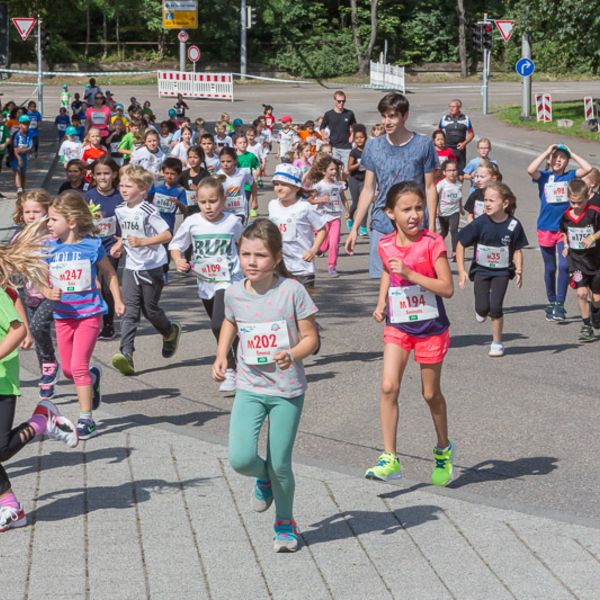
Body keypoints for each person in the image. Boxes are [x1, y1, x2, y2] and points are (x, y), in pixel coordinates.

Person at [212, 218, 319, 553]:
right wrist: (220, 355)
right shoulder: (233, 293)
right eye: (245, 254)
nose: (251, 262)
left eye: (259, 255)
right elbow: (230, 320)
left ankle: (285, 523)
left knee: (281, 463)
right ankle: (263, 477)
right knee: (240, 458)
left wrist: (293, 353)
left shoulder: (292, 291)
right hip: (249, 386)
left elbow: (312, 338)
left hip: (286, 390)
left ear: (275, 258)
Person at [367, 182, 455, 486]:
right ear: (391, 213)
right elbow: (388, 272)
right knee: (388, 386)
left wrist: (411, 274)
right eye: (407, 209)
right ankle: (389, 457)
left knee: (430, 394)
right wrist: (381, 302)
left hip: (431, 327)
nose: (415, 214)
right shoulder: (385, 244)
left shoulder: (433, 243)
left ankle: (443, 449)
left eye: (419, 208)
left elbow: (447, 288)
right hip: (399, 324)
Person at [0, 224, 79, 533]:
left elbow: (18, 328)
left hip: (2, 379)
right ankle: (10, 507)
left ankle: (42, 421)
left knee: (2, 449)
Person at [43, 191, 124, 439]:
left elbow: (109, 273)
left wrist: (118, 300)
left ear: (72, 221)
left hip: (89, 314)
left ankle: (86, 419)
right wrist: (47, 291)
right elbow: (39, 279)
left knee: (77, 366)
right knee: (68, 370)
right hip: (63, 315)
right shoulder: (49, 247)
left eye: (54, 219)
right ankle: (92, 377)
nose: (49, 224)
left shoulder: (92, 245)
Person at [345, 93, 438, 278]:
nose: (387, 121)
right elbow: (368, 189)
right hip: (383, 223)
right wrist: (355, 228)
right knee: (383, 286)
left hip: (415, 224)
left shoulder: (424, 144)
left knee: (414, 283)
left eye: (392, 116)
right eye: (384, 116)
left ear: (405, 116)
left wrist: (433, 227)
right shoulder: (373, 147)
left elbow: (429, 187)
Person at [170, 175, 244, 392]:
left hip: (229, 281)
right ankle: (243, 360)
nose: (208, 206)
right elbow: (176, 245)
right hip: (205, 284)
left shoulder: (232, 222)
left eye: (213, 201)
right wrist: (179, 260)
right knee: (220, 327)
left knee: (218, 325)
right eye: (203, 202)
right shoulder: (192, 222)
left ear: (223, 200)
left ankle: (229, 370)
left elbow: (245, 245)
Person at [110, 164, 181, 376]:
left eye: (128, 186)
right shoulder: (120, 209)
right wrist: (120, 244)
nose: (123, 189)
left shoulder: (148, 210)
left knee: (150, 310)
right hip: (132, 267)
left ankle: (170, 332)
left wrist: (143, 241)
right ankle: (127, 354)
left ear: (143, 189)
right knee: (130, 311)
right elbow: (127, 233)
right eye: (121, 185)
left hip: (152, 266)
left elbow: (167, 235)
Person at [457, 183, 528, 357]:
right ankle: (480, 310)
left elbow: (518, 250)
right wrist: (461, 270)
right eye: (485, 200)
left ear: (505, 203)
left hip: (502, 272)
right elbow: (461, 244)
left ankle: (497, 342)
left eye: (492, 200)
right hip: (481, 270)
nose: (487, 204)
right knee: (482, 308)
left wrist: (519, 270)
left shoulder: (514, 225)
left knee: (495, 307)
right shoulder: (479, 223)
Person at [527, 143, 592, 321]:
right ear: (550, 159)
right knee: (550, 268)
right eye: (555, 157)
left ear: (567, 162)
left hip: (564, 230)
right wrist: (547, 151)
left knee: (564, 266)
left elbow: (588, 168)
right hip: (545, 228)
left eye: (562, 158)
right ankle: (551, 301)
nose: (558, 160)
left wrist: (571, 152)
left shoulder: (571, 176)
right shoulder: (544, 176)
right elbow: (530, 169)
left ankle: (560, 305)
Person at [11, 190, 59, 399]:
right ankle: (46, 374)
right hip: (29, 293)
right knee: (40, 336)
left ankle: (50, 364)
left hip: (52, 292)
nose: (31, 216)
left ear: (47, 211)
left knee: (39, 327)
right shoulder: (19, 237)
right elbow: (12, 266)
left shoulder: (54, 236)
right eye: (27, 211)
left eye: (36, 211)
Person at [268, 163, 327, 293]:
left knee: (303, 309)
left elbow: (322, 229)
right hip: (279, 266)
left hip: (302, 267)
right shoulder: (272, 205)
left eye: (283, 184)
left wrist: (313, 250)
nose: (279, 188)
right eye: (276, 184)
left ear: (296, 187)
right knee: (281, 307)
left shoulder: (305, 207)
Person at [86, 157, 123, 340]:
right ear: (93, 175)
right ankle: (90, 321)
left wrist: (121, 241)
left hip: (111, 246)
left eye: (106, 173)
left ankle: (108, 324)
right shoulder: (89, 196)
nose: (102, 177)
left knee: (109, 285)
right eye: (99, 173)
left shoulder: (120, 196)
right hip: (91, 246)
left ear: (114, 174)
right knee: (93, 284)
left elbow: (129, 222)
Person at [559, 179, 600, 340]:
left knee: (597, 298)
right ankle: (586, 326)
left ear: (586, 198)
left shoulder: (594, 212)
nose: (575, 206)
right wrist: (566, 244)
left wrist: (593, 237)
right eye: (572, 202)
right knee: (581, 293)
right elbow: (563, 231)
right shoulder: (566, 216)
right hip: (576, 261)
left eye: (579, 202)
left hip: (596, 261)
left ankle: (596, 313)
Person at [306, 154, 349, 277]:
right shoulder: (319, 185)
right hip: (322, 217)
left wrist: (347, 211)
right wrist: (320, 200)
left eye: (335, 169)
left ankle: (332, 266)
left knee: (334, 243)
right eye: (331, 169)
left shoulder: (338, 185)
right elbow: (310, 199)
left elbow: (344, 198)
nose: (334, 172)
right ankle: (319, 248)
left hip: (335, 217)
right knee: (324, 245)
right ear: (323, 171)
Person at [218, 147, 254, 224]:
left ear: (235, 161)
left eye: (229, 161)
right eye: (222, 161)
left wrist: (254, 200)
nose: (225, 164)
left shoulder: (243, 173)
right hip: (224, 211)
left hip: (240, 210)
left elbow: (253, 184)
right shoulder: (217, 175)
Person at [320, 90, 356, 166]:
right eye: (339, 101)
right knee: (335, 168)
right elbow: (322, 127)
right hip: (334, 146)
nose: (341, 103)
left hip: (346, 146)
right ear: (334, 101)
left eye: (343, 101)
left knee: (346, 169)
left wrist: (352, 135)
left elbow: (354, 126)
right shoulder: (329, 114)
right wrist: (323, 135)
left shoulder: (349, 113)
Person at [438, 99, 474, 173]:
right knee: (448, 171)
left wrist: (464, 143)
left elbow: (471, 134)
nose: (451, 108)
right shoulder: (444, 118)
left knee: (460, 173)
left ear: (459, 107)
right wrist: (441, 143)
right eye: (450, 106)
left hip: (460, 150)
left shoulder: (466, 118)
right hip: (448, 148)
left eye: (454, 106)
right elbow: (438, 132)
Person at [436, 160, 462, 259]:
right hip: (442, 212)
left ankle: (455, 252)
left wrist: (461, 207)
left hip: (454, 211)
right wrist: (434, 210)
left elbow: (459, 196)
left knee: (454, 230)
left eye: (454, 170)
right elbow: (434, 196)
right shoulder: (441, 184)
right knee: (444, 232)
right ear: (444, 172)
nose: (452, 173)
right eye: (449, 170)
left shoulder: (459, 184)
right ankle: (436, 247)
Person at [347, 124, 368, 235]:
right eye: (357, 138)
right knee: (355, 202)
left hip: (365, 179)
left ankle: (363, 228)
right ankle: (350, 217)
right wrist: (359, 163)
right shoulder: (354, 152)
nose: (359, 140)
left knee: (364, 202)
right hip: (354, 178)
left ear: (366, 138)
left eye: (362, 137)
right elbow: (349, 168)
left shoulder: (369, 150)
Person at [235, 135, 260, 217]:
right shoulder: (233, 157)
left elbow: (257, 165)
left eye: (244, 142)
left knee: (244, 204)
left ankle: (246, 217)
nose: (243, 144)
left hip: (247, 186)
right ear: (235, 145)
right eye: (240, 143)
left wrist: (257, 172)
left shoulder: (251, 156)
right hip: (235, 186)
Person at [9, 115, 33, 194]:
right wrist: (19, 158)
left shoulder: (29, 134)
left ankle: (22, 188)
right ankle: (19, 188)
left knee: (23, 173)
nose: (26, 126)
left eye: (27, 124)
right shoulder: (16, 135)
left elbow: (30, 149)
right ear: (20, 124)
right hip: (15, 156)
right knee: (18, 170)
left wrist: (23, 150)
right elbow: (16, 149)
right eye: (24, 124)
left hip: (24, 157)